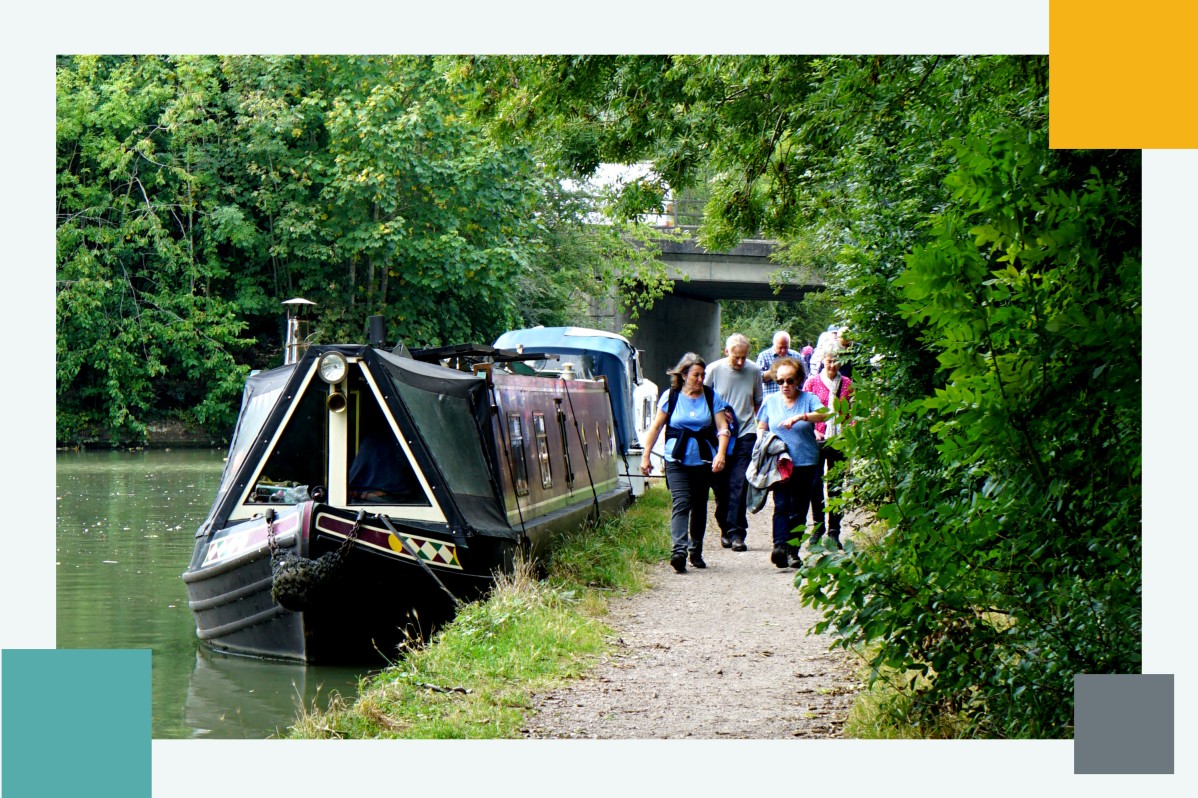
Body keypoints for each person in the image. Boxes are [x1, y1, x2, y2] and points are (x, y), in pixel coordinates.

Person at [641, 353, 731, 573]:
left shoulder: (711, 397)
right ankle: (678, 551)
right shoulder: (670, 396)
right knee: (682, 502)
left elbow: (723, 429)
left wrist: (721, 454)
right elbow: (656, 428)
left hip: (703, 460)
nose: (700, 379)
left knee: (699, 506)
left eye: (703, 375)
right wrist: (646, 455)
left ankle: (695, 550)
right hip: (676, 459)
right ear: (683, 375)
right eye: (696, 375)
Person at [755, 357, 828, 569]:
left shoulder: (809, 398)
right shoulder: (771, 402)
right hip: (780, 464)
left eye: (789, 381)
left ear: (798, 380)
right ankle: (779, 547)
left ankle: (793, 551)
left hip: (805, 462)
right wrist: (762, 442)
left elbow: (824, 415)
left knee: (799, 508)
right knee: (781, 504)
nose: (785, 385)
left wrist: (800, 418)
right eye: (780, 381)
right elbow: (762, 425)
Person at [704, 333, 763, 552]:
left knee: (739, 483)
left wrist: (762, 431)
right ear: (726, 352)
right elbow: (703, 399)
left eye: (744, 358)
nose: (740, 362)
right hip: (719, 435)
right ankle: (724, 527)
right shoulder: (713, 370)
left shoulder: (755, 371)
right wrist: (717, 416)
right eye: (736, 358)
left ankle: (738, 533)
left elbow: (758, 403)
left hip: (746, 433)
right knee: (720, 487)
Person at [802, 343, 853, 549]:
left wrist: (849, 429)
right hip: (817, 440)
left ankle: (834, 531)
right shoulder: (812, 382)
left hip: (838, 440)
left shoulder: (848, 383)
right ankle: (817, 526)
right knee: (814, 484)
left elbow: (852, 413)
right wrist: (814, 428)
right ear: (822, 361)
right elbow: (804, 408)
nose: (832, 365)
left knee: (836, 486)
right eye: (829, 361)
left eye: (836, 361)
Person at [755, 331, 800, 397]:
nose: (783, 350)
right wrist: (775, 371)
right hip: (771, 398)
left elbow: (803, 377)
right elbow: (758, 378)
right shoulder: (764, 356)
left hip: (792, 398)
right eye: (780, 348)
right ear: (774, 344)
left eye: (786, 347)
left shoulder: (796, 356)